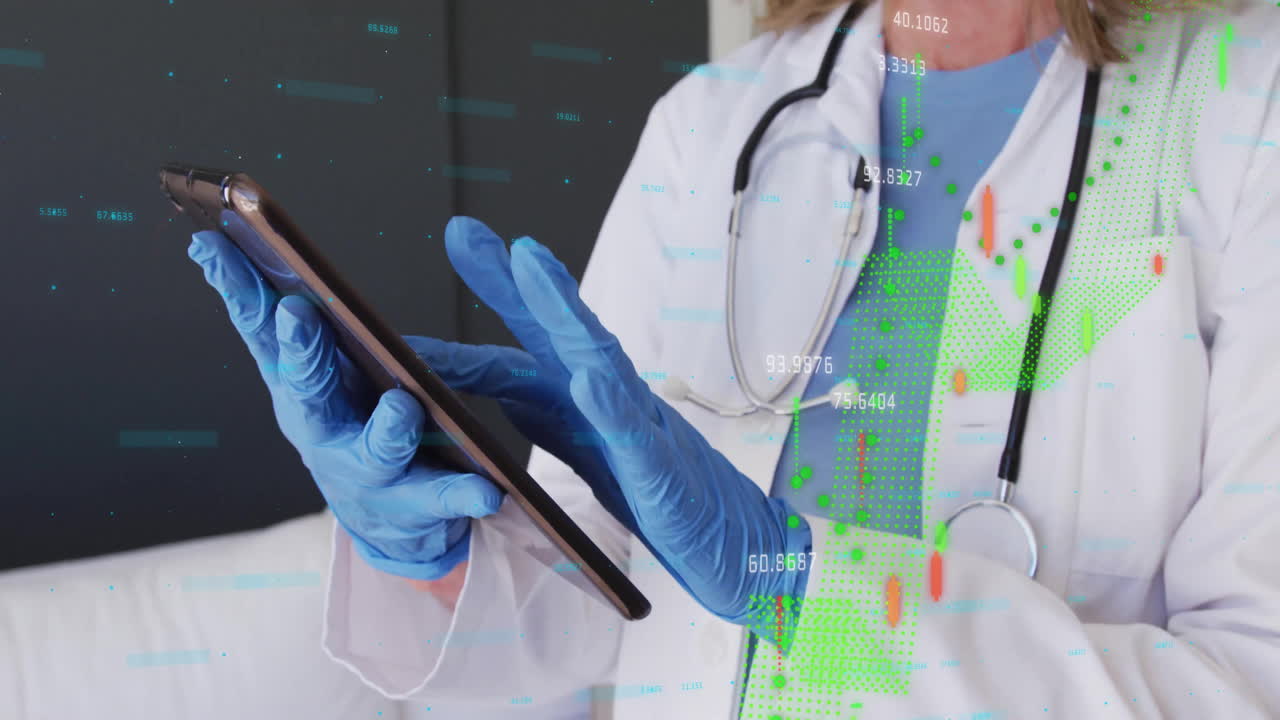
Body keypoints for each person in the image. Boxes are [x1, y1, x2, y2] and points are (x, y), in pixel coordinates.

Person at [187, 0, 1280, 717]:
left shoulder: (1247, 107)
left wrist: (805, 586)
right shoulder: (713, 123)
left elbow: (1252, 681)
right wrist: (425, 550)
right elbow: (583, 619)